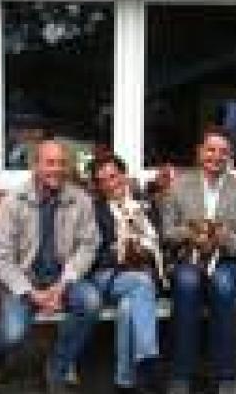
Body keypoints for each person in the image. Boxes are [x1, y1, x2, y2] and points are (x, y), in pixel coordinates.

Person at [0, 139, 102, 394]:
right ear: (36, 165)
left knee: (91, 302)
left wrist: (63, 283)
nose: (57, 169)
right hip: (25, 280)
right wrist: (31, 293)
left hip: (64, 278)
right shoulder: (12, 202)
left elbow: (88, 245)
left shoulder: (80, 200)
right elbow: (0, 257)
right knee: (13, 332)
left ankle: (58, 365)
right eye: (50, 163)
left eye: (62, 163)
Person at [161, 127, 236, 394]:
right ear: (200, 152)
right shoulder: (178, 186)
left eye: (223, 152)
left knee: (223, 284)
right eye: (210, 150)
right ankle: (181, 373)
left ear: (230, 156)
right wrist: (191, 232)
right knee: (186, 283)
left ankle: (226, 375)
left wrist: (226, 238)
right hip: (189, 259)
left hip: (227, 262)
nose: (216, 156)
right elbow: (167, 233)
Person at [88, 154, 165, 394]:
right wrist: (120, 253)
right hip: (108, 277)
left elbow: (161, 241)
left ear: (123, 175)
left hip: (143, 275)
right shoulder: (94, 212)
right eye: (103, 181)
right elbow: (91, 256)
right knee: (141, 284)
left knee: (128, 307)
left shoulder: (146, 204)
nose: (110, 184)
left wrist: (145, 249)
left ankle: (124, 381)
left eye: (113, 176)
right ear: (98, 186)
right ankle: (149, 360)